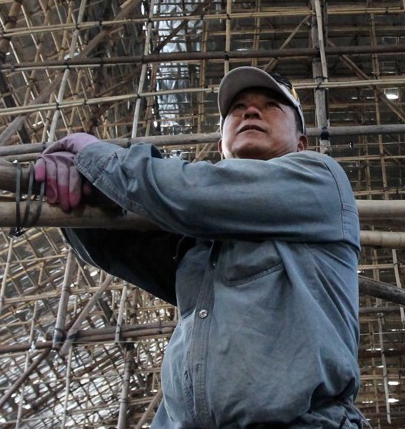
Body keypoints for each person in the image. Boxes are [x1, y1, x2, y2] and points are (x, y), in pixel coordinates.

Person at [34, 66, 365, 428]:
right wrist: (73, 196)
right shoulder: (202, 243)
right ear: (221, 147)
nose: (250, 112)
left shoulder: (319, 180)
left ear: (301, 143)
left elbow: (186, 194)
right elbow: (117, 247)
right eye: (237, 108)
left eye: (271, 106)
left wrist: (96, 155)